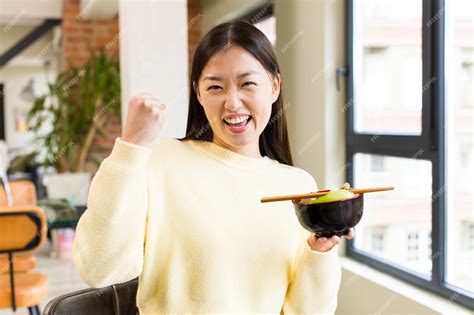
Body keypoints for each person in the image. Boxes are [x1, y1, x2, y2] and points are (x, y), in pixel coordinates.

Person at [73, 21, 355, 314]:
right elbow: (98, 267)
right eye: (216, 87)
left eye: (248, 84)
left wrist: (319, 250)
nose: (233, 103)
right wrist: (130, 146)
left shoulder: (299, 187)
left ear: (274, 86)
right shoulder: (160, 159)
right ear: (198, 93)